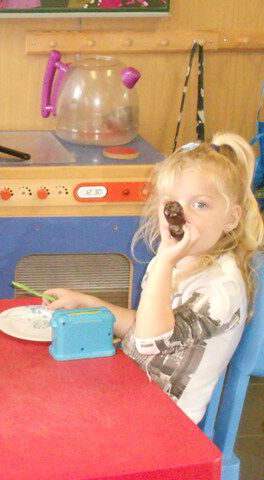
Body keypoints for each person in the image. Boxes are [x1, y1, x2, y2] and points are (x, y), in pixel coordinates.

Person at [43, 133, 264, 424]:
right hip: (134, 395)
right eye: (172, 203)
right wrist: (87, 303)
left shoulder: (221, 287)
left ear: (232, 218)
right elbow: (142, 325)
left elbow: (148, 341)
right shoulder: (176, 261)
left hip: (167, 424)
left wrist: (164, 262)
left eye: (200, 204)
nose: (180, 216)